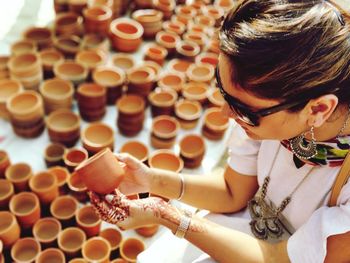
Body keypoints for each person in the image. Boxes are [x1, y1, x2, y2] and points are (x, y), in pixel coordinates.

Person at [89, 0, 350, 262]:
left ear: (318, 110)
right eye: (223, 91)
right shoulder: (270, 117)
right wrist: (151, 180)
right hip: (239, 236)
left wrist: (166, 215)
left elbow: (277, 259)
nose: (225, 113)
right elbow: (232, 191)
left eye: (242, 108)